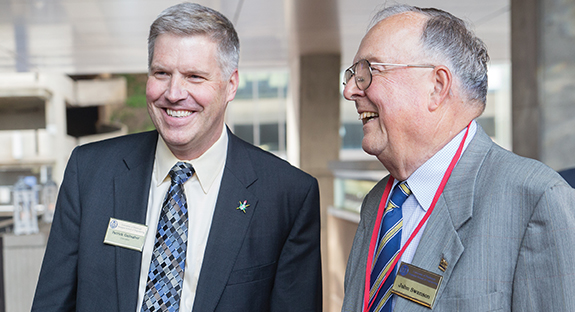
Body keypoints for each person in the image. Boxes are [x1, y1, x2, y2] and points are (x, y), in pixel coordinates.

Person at [32, 3, 321, 312]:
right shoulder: (88, 174)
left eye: (195, 76)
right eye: (162, 73)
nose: (173, 93)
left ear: (231, 85)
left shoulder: (287, 195)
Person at [341, 4, 575, 312]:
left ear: (436, 86)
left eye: (368, 72)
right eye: (352, 75)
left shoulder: (535, 199)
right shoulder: (378, 203)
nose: (349, 91)